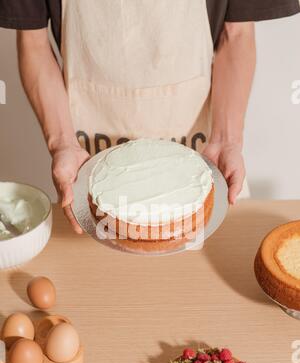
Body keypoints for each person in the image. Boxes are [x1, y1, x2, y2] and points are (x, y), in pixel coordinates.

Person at [0, 0, 299, 233]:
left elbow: (237, 33)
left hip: (203, 164)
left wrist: (227, 140)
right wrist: (62, 144)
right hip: (89, 171)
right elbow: (33, 41)